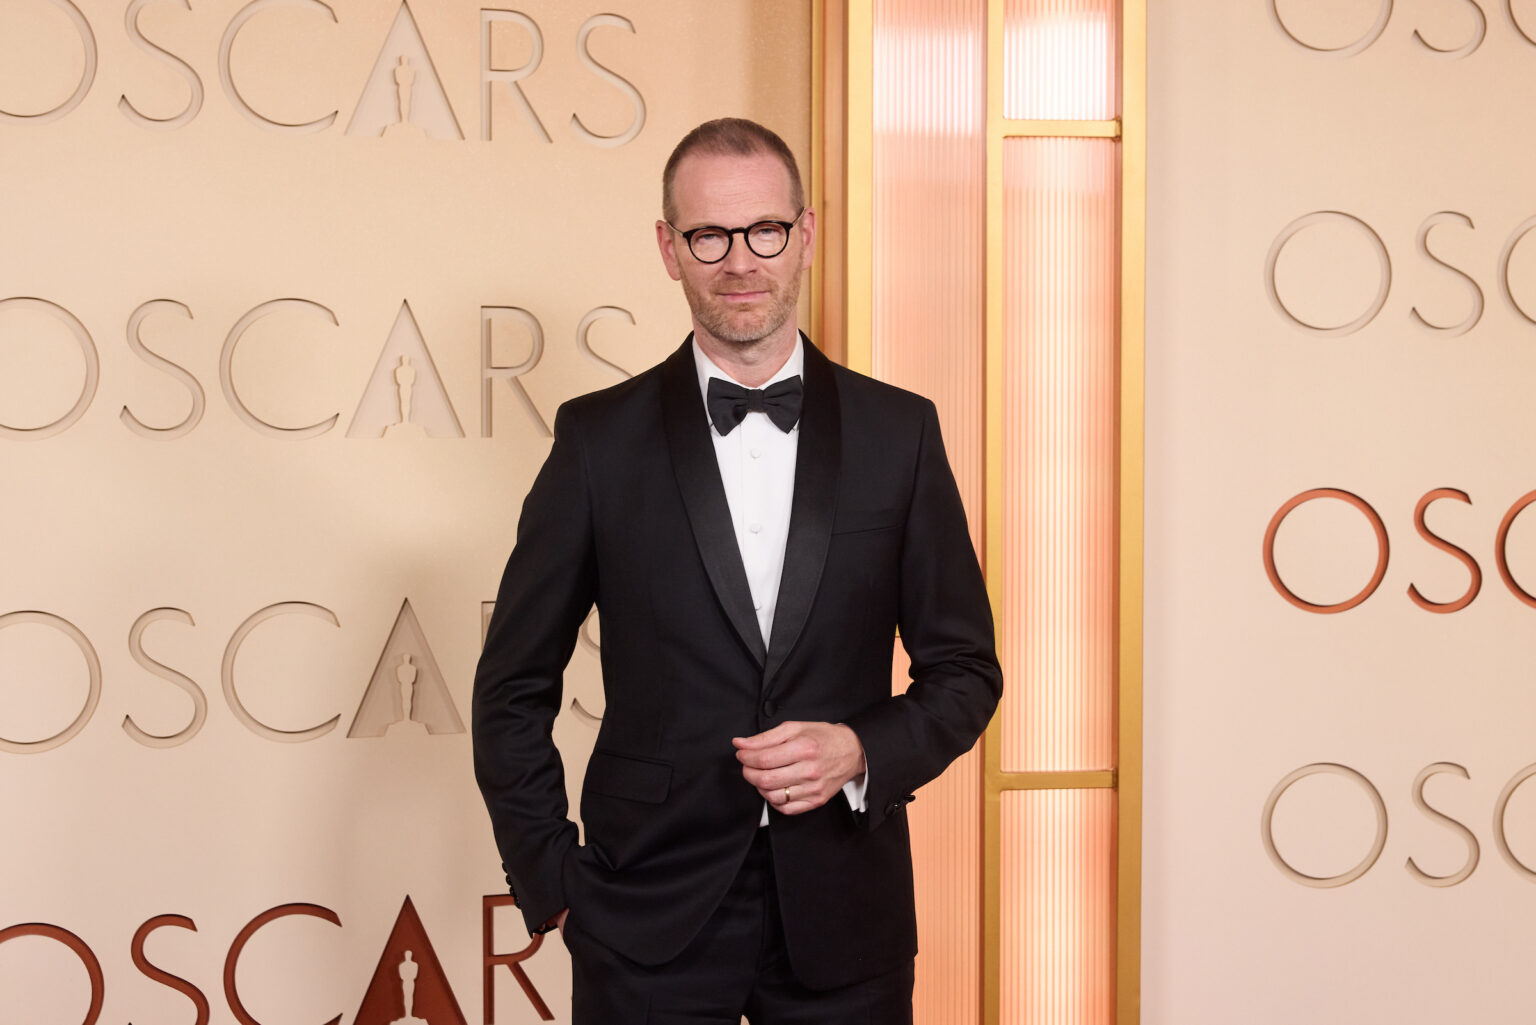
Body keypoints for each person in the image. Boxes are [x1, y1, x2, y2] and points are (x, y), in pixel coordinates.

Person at [472, 117, 1002, 1024]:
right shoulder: (597, 442)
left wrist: (863, 747)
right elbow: (512, 683)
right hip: (643, 914)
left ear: (804, 234)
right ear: (669, 249)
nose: (740, 262)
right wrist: (552, 877)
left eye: (763, 232)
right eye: (709, 236)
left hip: (848, 917)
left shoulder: (899, 433)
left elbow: (965, 672)